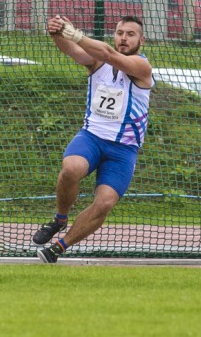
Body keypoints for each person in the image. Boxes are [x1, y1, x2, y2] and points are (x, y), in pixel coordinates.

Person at [34, 15, 153, 263]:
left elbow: (109, 54)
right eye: (120, 32)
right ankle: (59, 219)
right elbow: (73, 50)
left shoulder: (142, 67)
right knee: (71, 168)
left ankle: (58, 248)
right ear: (114, 35)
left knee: (105, 203)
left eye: (130, 34)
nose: (123, 38)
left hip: (123, 149)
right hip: (92, 137)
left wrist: (75, 33)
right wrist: (57, 32)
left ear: (141, 40)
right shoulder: (98, 63)